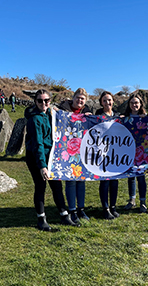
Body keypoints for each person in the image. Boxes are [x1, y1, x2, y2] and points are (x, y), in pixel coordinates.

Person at [25, 89, 78, 231]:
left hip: (51, 157)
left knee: (57, 187)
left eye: (46, 100)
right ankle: (41, 219)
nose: (43, 103)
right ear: (35, 102)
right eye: (40, 101)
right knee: (41, 186)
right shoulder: (35, 119)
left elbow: (67, 114)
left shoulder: (50, 114)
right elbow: (38, 144)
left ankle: (64, 215)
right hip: (36, 157)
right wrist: (42, 166)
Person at [57, 88, 92, 223]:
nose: (79, 100)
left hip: (82, 151)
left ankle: (81, 209)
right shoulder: (63, 110)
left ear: (85, 101)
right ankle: (72, 210)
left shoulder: (87, 112)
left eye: (82, 99)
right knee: (70, 181)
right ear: (73, 98)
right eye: (78, 98)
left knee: (81, 181)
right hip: (67, 150)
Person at [95, 91, 120, 220]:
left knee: (114, 181)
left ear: (113, 101)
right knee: (105, 181)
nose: (107, 103)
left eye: (109, 100)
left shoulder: (117, 116)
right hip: (102, 153)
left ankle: (113, 207)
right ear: (101, 102)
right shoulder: (98, 116)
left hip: (115, 153)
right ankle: (105, 208)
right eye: (104, 101)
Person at [123, 93, 148, 213]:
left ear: (140, 104)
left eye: (136, 103)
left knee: (141, 177)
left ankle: (143, 202)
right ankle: (132, 200)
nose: (134, 105)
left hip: (142, 151)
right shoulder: (125, 117)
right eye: (132, 103)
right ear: (129, 104)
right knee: (131, 177)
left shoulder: (145, 117)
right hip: (128, 150)